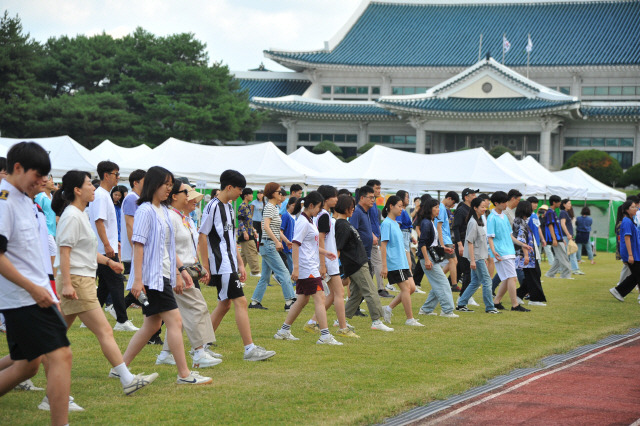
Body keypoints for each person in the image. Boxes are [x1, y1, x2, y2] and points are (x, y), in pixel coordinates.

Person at [51, 170, 158, 395]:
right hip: (78, 282)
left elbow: (85, 250)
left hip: (83, 279)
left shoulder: (80, 213)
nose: (93, 187)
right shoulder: (71, 215)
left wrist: (109, 262)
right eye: (90, 184)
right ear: (77, 190)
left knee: (53, 335)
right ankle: (127, 379)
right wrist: (68, 284)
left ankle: (20, 364)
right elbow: (65, 252)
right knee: (105, 331)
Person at [0, 142, 72, 425]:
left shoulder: (25, 199)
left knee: (26, 366)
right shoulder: (4, 201)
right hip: (24, 297)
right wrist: (34, 288)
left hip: (35, 293)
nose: (43, 181)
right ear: (17, 168)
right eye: (38, 174)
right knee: (60, 355)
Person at [122, 166, 212, 385]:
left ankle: (120, 367)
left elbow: (168, 248)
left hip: (162, 273)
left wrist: (179, 272)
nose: (169, 190)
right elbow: (139, 244)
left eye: (172, 186)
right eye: (166, 185)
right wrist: (137, 279)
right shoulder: (145, 210)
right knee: (175, 321)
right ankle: (184, 374)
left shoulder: (162, 211)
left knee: (152, 325)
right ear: (154, 184)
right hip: (153, 276)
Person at [198, 170, 276, 361]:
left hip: (229, 262)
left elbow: (231, 239)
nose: (241, 194)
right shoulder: (213, 207)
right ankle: (249, 349)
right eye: (240, 189)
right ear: (229, 187)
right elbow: (202, 235)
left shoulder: (231, 207)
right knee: (240, 301)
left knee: (224, 305)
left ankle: (200, 346)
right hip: (220, 263)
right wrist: (205, 266)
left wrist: (240, 263)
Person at [155, 181, 221, 369]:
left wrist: (198, 266)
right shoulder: (170, 217)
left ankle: (166, 353)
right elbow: (168, 248)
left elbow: (190, 246)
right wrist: (179, 271)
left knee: (179, 315)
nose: (192, 198)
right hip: (177, 271)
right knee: (197, 308)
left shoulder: (182, 218)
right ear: (175, 196)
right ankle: (199, 352)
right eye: (187, 193)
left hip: (185, 270)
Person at [274, 191, 343, 345]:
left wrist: (326, 253)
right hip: (307, 268)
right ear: (311, 206)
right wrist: (296, 268)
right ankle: (325, 336)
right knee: (320, 298)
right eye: (319, 207)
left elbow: (309, 245)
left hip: (309, 266)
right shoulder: (303, 222)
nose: (320, 210)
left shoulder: (309, 221)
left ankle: (283, 330)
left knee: (302, 300)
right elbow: (296, 244)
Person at [89, 161, 138, 331]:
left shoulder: (104, 194)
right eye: (116, 174)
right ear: (106, 175)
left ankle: (88, 317)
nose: (118, 177)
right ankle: (122, 321)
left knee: (104, 285)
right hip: (105, 249)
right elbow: (99, 222)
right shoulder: (101, 195)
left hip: (106, 247)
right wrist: (107, 245)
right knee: (117, 282)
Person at [305, 186, 358, 337]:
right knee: (339, 293)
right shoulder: (323, 216)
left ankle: (312, 322)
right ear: (326, 199)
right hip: (328, 261)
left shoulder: (323, 215)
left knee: (334, 294)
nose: (337, 199)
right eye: (335, 196)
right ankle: (343, 328)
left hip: (328, 260)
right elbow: (320, 240)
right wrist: (323, 264)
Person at [335, 195, 393, 332]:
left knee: (358, 293)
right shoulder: (341, 225)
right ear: (345, 207)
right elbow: (338, 249)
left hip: (359, 262)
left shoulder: (345, 223)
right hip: (356, 264)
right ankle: (376, 321)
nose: (353, 209)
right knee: (371, 291)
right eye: (351, 207)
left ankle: (340, 320)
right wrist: (338, 270)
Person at [250, 182, 296, 311]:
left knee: (265, 276)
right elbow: (266, 226)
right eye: (279, 192)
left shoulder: (274, 208)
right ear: (272, 193)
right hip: (269, 244)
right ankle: (290, 302)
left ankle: (254, 302)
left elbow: (277, 230)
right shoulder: (270, 207)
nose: (281, 194)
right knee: (284, 272)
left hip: (268, 244)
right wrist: (276, 241)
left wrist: (286, 241)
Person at [380, 196, 423, 326]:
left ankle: (387, 308)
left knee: (412, 288)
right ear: (391, 206)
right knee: (405, 288)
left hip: (402, 262)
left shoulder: (395, 223)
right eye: (399, 206)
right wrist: (384, 266)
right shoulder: (386, 223)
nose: (401, 209)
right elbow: (383, 245)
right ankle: (410, 319)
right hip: (394, 262)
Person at [489, 191, 533, 312]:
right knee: (512, 277)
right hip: (501, 251)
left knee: (507, 278)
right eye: (503, 202)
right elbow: (490, 237)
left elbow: (510, 236)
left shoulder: (503, 216)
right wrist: (493, 251)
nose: (505, 204)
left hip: (509, 250)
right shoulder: (492, 217)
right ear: (496, 203)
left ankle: (496, 302)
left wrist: (523, 244)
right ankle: (515, 305)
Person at [456, 198, 500, 314]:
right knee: (487, 281)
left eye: (485, 207)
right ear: (475, 208)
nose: (485, 209)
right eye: (482, 207)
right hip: (476, 257)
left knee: (475, 282)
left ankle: (461, 304)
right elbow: (470, 242)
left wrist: (483, 257)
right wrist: (473, 261)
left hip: (480, 257)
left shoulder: (479, 221)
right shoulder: (473, 222)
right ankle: (490, 307)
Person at [416, 198, 458, 317]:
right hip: (427, 257)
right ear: (430, 209)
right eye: (435, 207)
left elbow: (431, 243)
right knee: (443, 282)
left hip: (430, 256)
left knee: (437, 284)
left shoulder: (430, 222)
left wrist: (444, 249)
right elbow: (422, 243)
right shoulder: (426, 223)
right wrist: (427, 260)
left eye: (438, 207)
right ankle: (447, 310)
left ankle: (426, 310)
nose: (438, 210)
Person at [513, 200, 547, 306]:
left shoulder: (522, 221)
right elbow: (522, 239)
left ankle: (519, 294)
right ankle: (535, 299)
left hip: (529, 253)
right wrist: (526, 255)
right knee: (534, 274)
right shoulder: (519, 222)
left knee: (534, 274)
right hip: (525, 254)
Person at [610, 200, 640, 302]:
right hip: (631, 253)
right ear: (626, 210)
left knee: (635, 276)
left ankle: (618, 291)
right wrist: (630, 255)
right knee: (637, 275)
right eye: (632, 207)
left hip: (635, 253)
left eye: (635, 207)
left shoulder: (630, 220)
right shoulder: (626, 221)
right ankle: (618, 291)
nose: (635, 208)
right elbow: (627, 238)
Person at [365, 179, 391, 298]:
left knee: (371, 265)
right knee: (378, 263)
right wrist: (372, 234)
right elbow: (367, 221)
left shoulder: (374, 204)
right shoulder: (368, 205)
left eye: (380, 188)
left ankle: (370, 289)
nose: (379, 191)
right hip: (371, 238)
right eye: (377, 188)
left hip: (374, 236)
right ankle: (380, 289)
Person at [438, 191, 465, 299]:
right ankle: (453, 284)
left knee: (453, 261)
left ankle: (441, 279)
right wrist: (442, 242)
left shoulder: (444, 208)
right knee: (453, 261)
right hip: (444, 238)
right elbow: (439, 226)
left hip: (447, 238)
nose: (453, 206)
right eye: (453, 202)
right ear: (449, 198)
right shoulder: (441, 208)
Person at [452, 188, 477, 294]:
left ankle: (450, 286)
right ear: (466, 197)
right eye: (473, 195)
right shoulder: (461, 210)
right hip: (462, 242)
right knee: (467, 270)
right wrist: (459, 244)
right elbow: (456, 228)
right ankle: (464, 297)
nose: (475, 197)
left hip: (469, 242)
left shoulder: (471, 209)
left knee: (461, 269)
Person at [544, 195, 572, 279]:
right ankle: (565, 275)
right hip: (555, 238)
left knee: (558, 258)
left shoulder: (554, 212)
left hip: (559, 238)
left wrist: (562, 238)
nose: (560, 203)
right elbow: (550, 226)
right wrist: (554, 239)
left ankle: (550, 274)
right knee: (564, 257)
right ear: (554, 202)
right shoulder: (549, 212)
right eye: (559, 202)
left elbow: (557, 227)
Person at [34, 174, 57, 273]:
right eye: (50, 180)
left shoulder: (51, 196)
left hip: (52, 231)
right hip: (45, 231)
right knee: (54, 255)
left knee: (50, 256)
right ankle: (54, 280)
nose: (52, 182)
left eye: (52, 180)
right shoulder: (40, 197)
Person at [237, 188, 260, 277]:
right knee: (252, 251)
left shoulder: (248, 206)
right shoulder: (242, 206)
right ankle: (255, 271)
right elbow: (240, 221)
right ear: (246, 195)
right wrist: (245, 232)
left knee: (243, 254)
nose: (252, 196)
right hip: (245, 234)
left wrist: (254, 231)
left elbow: (249, 221)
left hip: (249, 232)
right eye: (250, 194)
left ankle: (238, 271)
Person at [560, 199, 584, 275]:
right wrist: (567, 234)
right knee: (571, 253)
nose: (570, 205)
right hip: (566, 236)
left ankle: (564, 269)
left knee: (570, 253)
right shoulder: (563, 212)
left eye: (570, 203)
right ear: (564, 204)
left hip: (569, 236)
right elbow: (562, 224)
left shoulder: (566, 213)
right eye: (568, 203)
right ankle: (575, 269)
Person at [279, 196, 297, 275]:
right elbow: (281, 230)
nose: (294, 207)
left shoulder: (295, 216)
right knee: (290, 263)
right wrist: (280, 242)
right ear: (289, 205)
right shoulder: (286, 215)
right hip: (287, 244)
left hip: (293, 244)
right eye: (293, 205)